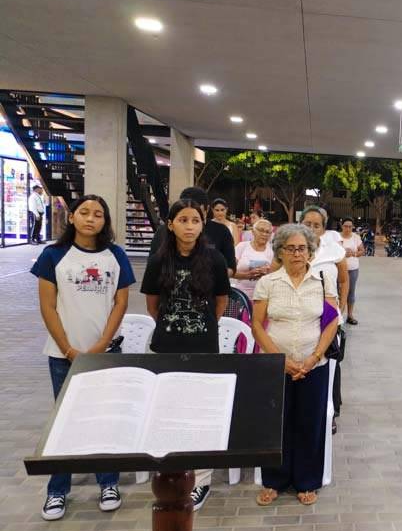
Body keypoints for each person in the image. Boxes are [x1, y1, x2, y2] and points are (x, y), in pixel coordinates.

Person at [31, 195, 135, 521]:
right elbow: (48, 306)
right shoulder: (53, 255)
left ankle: (108, 483)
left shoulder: (115, 255)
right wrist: (68, 349)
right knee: (65, 421)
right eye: (85, 212)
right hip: (63, 356)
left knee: (105, 418)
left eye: (98, 214)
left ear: (105, 221)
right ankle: (57, 490)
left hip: (105, 355)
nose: (91, 219)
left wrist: (102, 345)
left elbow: (120, 303)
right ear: (72, 217)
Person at [141, 199, 231, 511]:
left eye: (195, 220)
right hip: (165, 347)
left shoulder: (214, 259)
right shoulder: (158, 260)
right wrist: (173, 328)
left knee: (200, 413)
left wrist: (201, 329)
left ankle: (201, 480)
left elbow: (221, 302)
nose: (189, 226)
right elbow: (153, 306)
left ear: (202, 224)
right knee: (168, 411)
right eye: (183, 220)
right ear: (171, 224)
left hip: (203, 348)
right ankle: (170, 474)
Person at [251, 224, 338, 508]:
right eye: (290, 248)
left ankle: (307, 481)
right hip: (277, 365)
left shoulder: (322, 281)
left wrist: (313, 358)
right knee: (276, 423)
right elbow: (257, 325)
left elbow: (331, 322)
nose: (297, 253)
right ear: (280, 252)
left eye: (302, 248)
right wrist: (281, 360)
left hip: (314, 364)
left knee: (309, 423)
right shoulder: (268, 283)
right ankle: (274, 480)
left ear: (311, 252)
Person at [300, 206, 348, 436]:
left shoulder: (334, 251)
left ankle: (331, 412)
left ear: (323, 227)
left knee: (329, 365)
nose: (311, 228)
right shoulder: (290, 248)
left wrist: (342, 308)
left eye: (316, 225)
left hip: (328, 320)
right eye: (307, 224)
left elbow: (345, 281)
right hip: (299, 317)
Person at [149, 186, 236, 278]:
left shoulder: (221, 231)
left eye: (197, 217)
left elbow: (231, 267)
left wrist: (209, 278)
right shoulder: (163, 232)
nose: (190, 226)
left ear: (207, 209)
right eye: (185, 218)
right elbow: (152, 268)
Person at [232, 218, 274, 300]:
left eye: (267, 232)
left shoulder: (273, 251)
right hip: (241, 295)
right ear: (253, 231)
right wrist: (248, 275)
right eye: (261, 230)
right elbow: (230, 272)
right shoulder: (242, 246)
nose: (264, 234)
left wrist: (267, 272)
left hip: (265, 296)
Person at [338, 217, 365, 324]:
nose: (348, 229)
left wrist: (354, 253)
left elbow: (362, 251)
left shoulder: (356, 237)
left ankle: (349, 316)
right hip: (339, 269)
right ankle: (338, 316)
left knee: (351, 292)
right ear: (341, 226)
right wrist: (343, 253)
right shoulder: (337, 237)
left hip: (353, 269)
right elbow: (332, 252)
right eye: (346, 226)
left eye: (350, 227)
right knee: (338, 292)